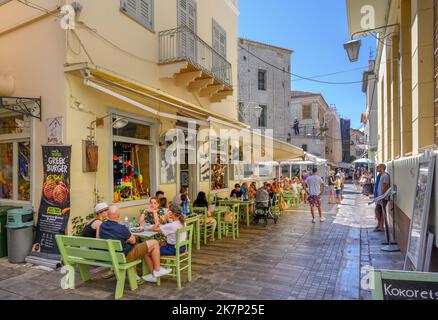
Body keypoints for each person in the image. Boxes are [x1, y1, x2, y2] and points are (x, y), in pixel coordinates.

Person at [98, 206, 171, 283]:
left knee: (137, 245)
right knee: (154, 242)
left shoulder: (102, 226)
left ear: (108, 215)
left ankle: (136, 274)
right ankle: (157, 270)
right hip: (125, 256)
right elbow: (133, 240)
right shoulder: (121, 228)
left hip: (111, 256)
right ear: (118, 216)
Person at [374, 164, 390, 232]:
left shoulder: (385, 176)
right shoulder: (381, 175)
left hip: (383, 197)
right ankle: (379, 224)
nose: (377, 168)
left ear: (382, 168)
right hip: (379, 197)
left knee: (382, 211)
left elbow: (385, 187)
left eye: (379, 167)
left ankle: (381, 226)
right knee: (378, 211)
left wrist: (382, 197)